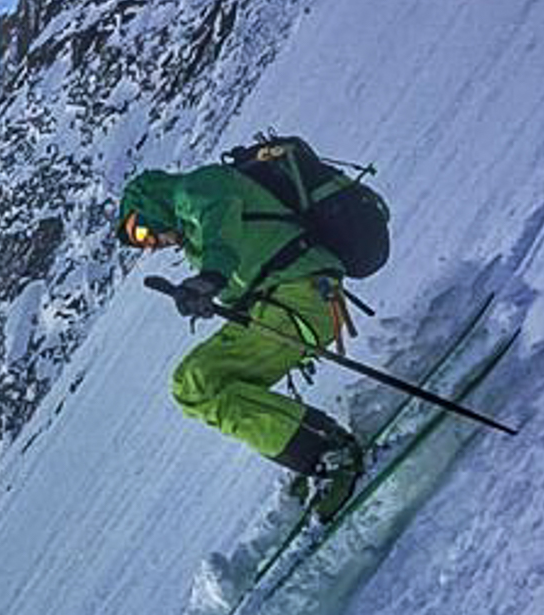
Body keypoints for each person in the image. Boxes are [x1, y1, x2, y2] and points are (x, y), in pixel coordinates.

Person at [115, 162, 364, 519]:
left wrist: (211, 278)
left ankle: (326, 452)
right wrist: (213, 294)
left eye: (141, 231)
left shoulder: (196, 189)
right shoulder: (194, 235)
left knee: (195, 382)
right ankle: (314, 446)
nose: (151, 244)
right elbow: (237, 254)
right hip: (291, 301)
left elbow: (221, 222)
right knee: (201, 384)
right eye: (142, 244)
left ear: (149, 205)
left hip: (300, 297)